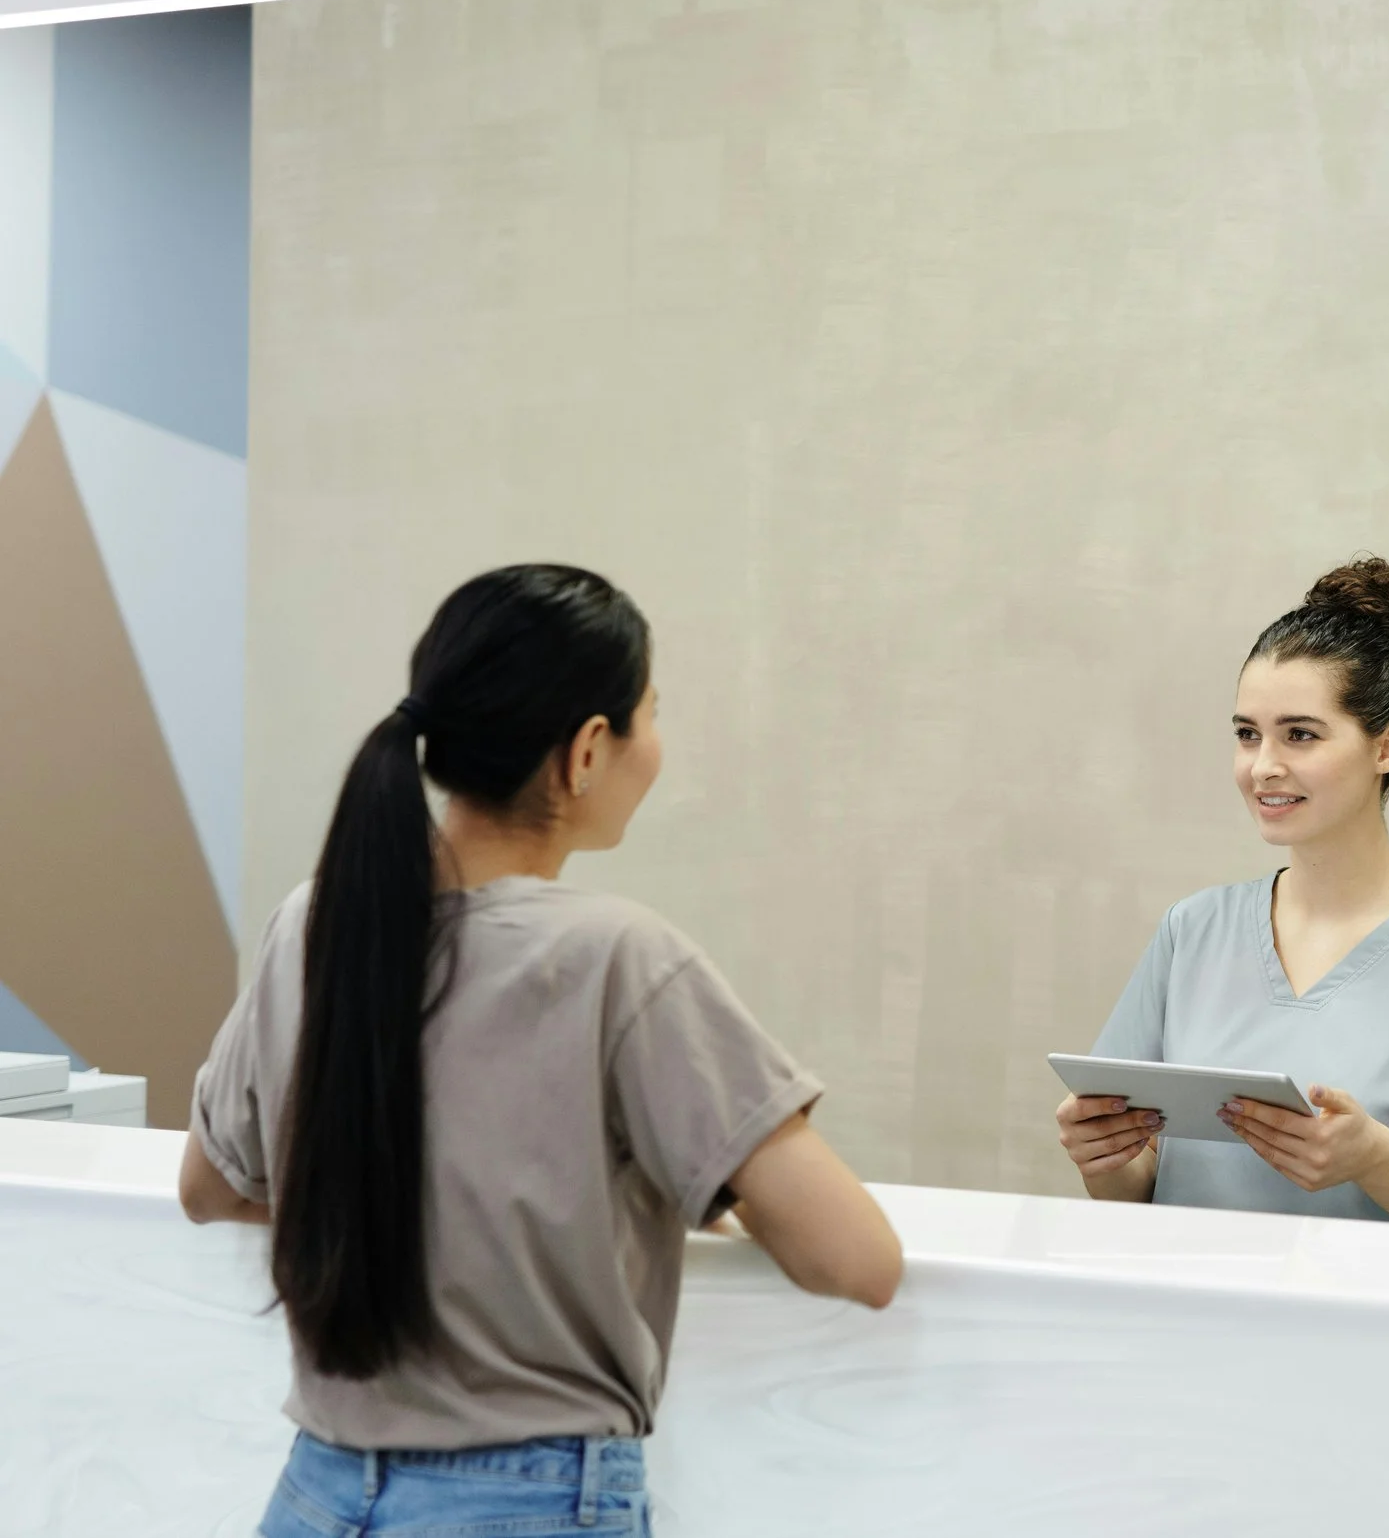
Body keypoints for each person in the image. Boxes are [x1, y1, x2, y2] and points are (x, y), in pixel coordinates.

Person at [179, 564, 900, 1537]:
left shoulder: (311, 922)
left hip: (316, 1492)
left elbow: (211, 1186)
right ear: (589, 750)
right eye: (652, 715)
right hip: (528, 1504)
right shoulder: (618, 956)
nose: (659, 748)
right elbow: (858, 1257)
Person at [1057, 556, 1389, 1229]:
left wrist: (1375, 1158)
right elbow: (1142, 1188)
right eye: (1247, 734)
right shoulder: (1190, 932)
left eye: (1301, 734)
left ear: (1387, 747)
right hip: (1188, 1328)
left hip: (1376, 1333)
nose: (1264, 766)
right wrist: (1105, 1159)